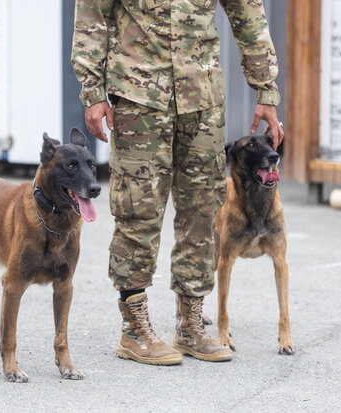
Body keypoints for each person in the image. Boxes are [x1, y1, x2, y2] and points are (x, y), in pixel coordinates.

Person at [72, 0, 285, 365]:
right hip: (139, 98)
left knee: (203, 210)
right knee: (138, 210)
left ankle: (190, 325)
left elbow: (247, 12)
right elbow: (92, 12)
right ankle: (134, 329)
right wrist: (92, 92)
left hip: (202, 99)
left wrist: (265, 90)